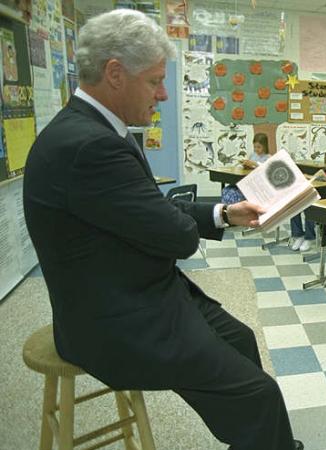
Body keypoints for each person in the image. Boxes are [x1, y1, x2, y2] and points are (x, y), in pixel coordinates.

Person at [22, 10, 302, 450]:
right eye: (155, 81)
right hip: (114, 323)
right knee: (261, 395)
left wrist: (225, 214)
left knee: (242, 340)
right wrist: (186, 222)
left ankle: (248, 438)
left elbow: (149, 211)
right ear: (115, 74)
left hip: (138, 293)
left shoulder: (98, 129)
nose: (165, 94)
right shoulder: (91, 146)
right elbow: (177, 237)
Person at [289, 148, 326, 252]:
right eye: (325, 162)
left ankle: (309, 237)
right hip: (316, 197)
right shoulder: (322, 172)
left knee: (310, 208)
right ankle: (298, 236)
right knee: (294, 207)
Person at [222, 132, 270, 204]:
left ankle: (236, 209)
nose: (256, 149)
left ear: (265, 146)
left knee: (234, 193)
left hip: (256, 186)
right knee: (227, 189)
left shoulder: (269, 157)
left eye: (259, 147)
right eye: (255, 147)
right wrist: (245, 165)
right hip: (246, 181)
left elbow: (266, 170)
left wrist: (255, 164)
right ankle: (228, 210)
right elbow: (249, 168)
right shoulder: (252, 155)